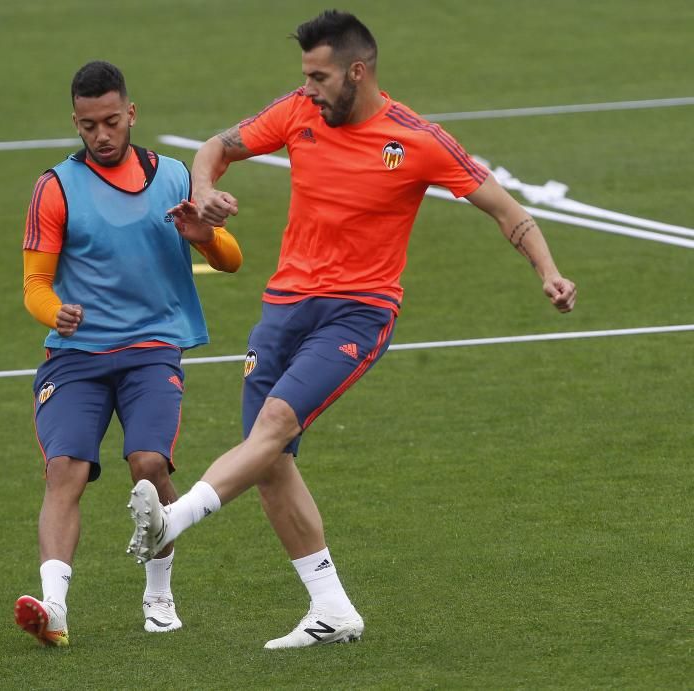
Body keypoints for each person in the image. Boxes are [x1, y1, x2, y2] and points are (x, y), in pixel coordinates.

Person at [126, 10, 577, 649]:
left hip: (358, 312)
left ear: (356, 72)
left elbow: (507, 212)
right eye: (304, 75)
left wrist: (549, 272)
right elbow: (217, 148)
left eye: (318, 75)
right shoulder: (299, 111)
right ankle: (332, 611)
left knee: (276, 425)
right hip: (283, 306)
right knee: (270, 460)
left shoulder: (417, 139)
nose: (307, 87)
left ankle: (173, 519)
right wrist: (202, 193)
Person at [15, 60, 243, 647]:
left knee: (149, 467)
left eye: (112, 121)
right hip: (76, 356)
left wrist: (205, 235)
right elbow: (34, 284)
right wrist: (53, 312)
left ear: (131, 114)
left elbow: (232, 261)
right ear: (76, 122)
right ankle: (55, 607)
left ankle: (159, 593)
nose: (101, 135)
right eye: (88, 125)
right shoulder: (55, 188)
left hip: (151, 349)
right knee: (64, 471)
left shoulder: (172, 178)